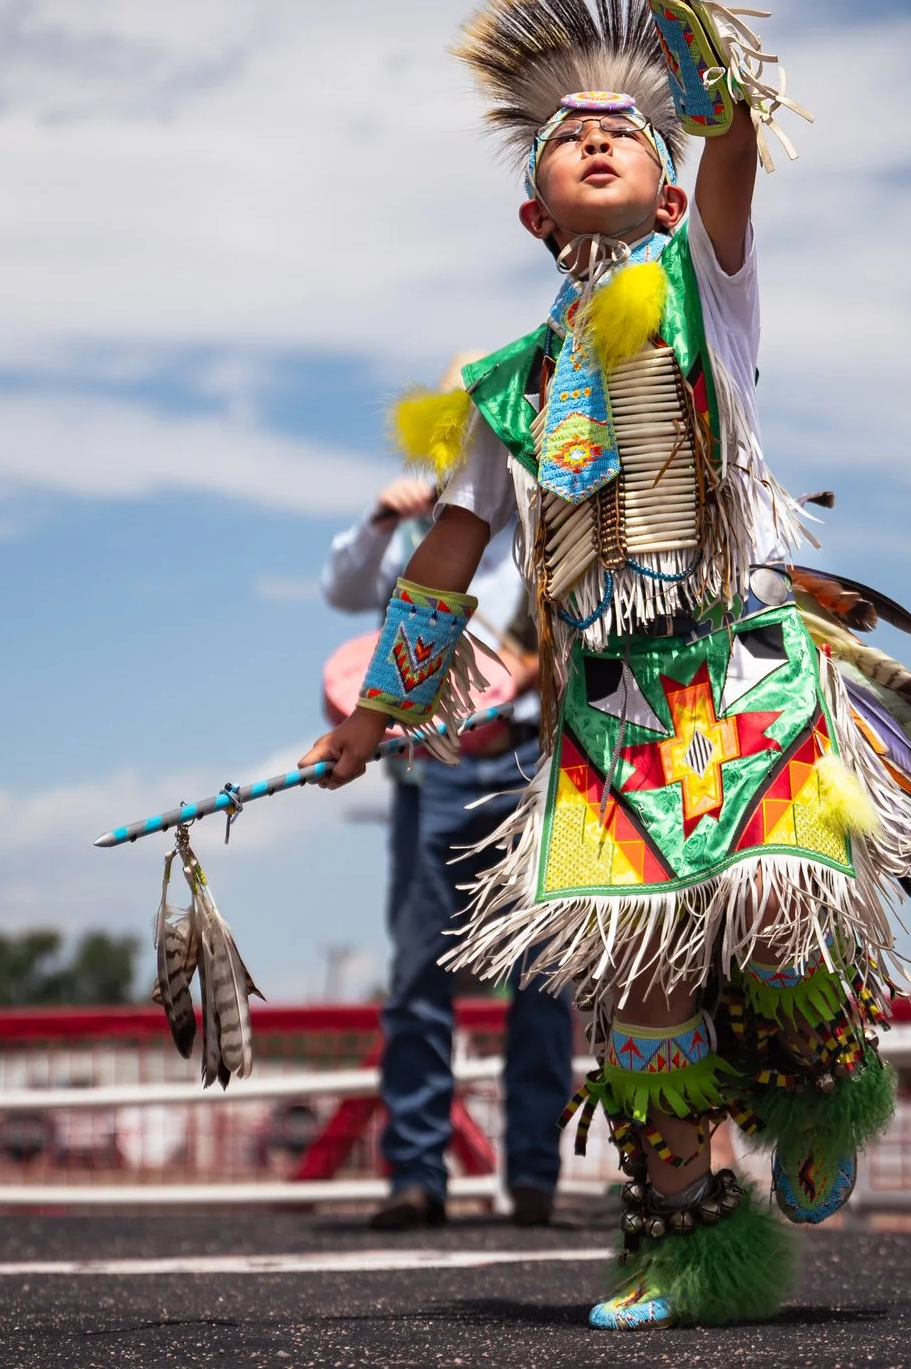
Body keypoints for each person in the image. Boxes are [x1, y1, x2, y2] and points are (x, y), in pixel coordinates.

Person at [302, 0, 911, 1329]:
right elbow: (445, 556)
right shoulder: (501, 387)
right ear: (531, 201)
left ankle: (820, 1091)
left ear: (672, 192)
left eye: (626, 128)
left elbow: (733, 113)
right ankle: (687, 1242)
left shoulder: (708, 285)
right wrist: (374, 716)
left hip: (738, 673)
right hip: (606, 713)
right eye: (567, 135)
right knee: (647, 998)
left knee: (786, 933)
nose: (599, 134)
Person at [322, 418, 576, 1230]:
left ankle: (532, 1175)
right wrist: (382, 520)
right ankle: (417, 1175)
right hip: (431, 763)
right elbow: (344, 590)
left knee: (543, 976)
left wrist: (537, 663)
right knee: (419, 976)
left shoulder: (555, 527)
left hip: (528, 755)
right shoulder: (425, 531)